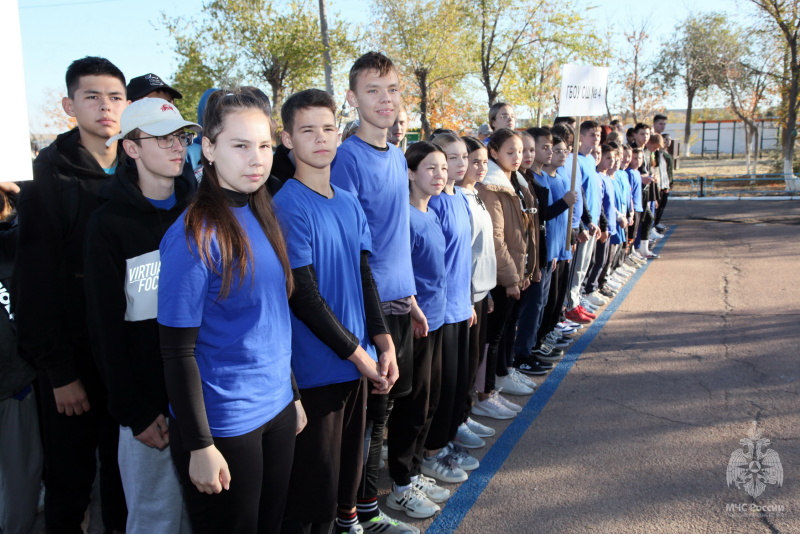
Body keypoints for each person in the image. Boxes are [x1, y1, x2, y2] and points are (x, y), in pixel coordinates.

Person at [158, 88, 304, 534]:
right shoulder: (192, 235)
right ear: (209, 148)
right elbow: (176, 351)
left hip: (277, 408)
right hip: (225, 422)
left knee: (272, 525)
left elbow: (274, 318)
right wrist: (199, 445)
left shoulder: (264, 212)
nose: (255, 158)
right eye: (240, 145)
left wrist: (293, 394)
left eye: (263, 145)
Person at [273, 88, 400, 534]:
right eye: (307, 130)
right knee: (311, 500)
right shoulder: (286, 205)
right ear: (287, 139)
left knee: (342, 491)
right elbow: (304, 296)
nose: (321, 138)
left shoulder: (347, 199)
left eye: (328, 127)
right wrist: (360, 355)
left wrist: (383, 343)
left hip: (355, 366)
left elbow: (364, 276)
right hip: (315, 375)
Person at [14, 56, 128, 533]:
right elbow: (34, 285)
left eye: (116, 97)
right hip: (72, 366)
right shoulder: (48, 176)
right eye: (92, 96)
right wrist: (59, 372)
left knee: (125, 483)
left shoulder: (139, 165)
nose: (106, 107)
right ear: (69, 104)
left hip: (126, 359)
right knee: (69, 484)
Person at [83, 97, 200, 534]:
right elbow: (104, 326)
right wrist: (132, 409)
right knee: (156, 517)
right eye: (162, 138)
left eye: (181, 137)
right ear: (130, 148)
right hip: (148, 408)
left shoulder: (200, 211)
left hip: (203, 396)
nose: (176, 147)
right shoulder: (108, 224)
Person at [329, 51, 416, 533]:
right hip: (370, 311)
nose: (386, 100)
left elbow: (394, 236)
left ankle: (365, 506)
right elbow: (353, 253)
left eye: (392, 90)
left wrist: (413, 298)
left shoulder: (399, 155)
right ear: (352, 98)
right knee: (366, 421)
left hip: (400, 304)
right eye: (373, 91)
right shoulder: (345, 160)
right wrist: (374, 324)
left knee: (384, 415)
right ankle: (351, 515)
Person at [385, 141, 450, 523]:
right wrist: (413, 308)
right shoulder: (404, 218)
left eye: (443, 168)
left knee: (429, 402)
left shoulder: (433, 212)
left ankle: (415, 473)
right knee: (411, 407)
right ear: (410, 173)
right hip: (417, 325)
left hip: (440, 320)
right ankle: (401, 486)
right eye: (430, 168)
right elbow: (399, 271)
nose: (439, 175)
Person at [423, 133, 479, 483]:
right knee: (439, 389)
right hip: (440, 313)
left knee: (458, 383)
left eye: (461, 159)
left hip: (460, 307)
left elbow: (464, 259)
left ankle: (444, 442)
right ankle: (431, 451)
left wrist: (469, 300)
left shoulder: (459, 197)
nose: (458, 166)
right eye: (450, 160)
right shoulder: (434, 204)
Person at [472, 128, 536, 420]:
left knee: (503, 332)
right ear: (494, 152)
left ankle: (494, 384)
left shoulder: (516, 182)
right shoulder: (491, 186)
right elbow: (497, 239)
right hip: (498, 276)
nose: (518, 157)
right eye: (510, 152)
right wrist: (511, 277)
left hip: (513, 271)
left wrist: (524, 271)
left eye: (520, 151)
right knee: (492, 337)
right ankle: (484, 393)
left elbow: (522, 233)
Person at [0, 183, 44, 534]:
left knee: (19, 485)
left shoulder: (13, 241)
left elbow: (34, 224)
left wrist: (16, 192)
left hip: (14, 386)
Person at [454, 136, 498, 447]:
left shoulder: (475, 194)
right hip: (466, 296)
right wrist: (468, 296)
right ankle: (455, 422)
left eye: (484, 161)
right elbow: (464, 256)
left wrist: (488, 290)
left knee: (472, 363)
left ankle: (464, 415)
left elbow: (485, 251)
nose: (480, 167)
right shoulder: (458, 197)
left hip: (482, 291)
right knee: (462, 366)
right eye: (475, 161)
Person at [563, 120, 602, 326]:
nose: (596, 139)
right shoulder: (573, 160)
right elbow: (579, 194)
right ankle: (570, 306)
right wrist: (583, 223)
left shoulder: (590, 161)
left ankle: (576, 301)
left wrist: (593, 220)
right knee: (576, 268)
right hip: (581, 226)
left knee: (584, 266)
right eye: (592, 135)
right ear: (581, 137)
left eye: (598, 135)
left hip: (591, 222)